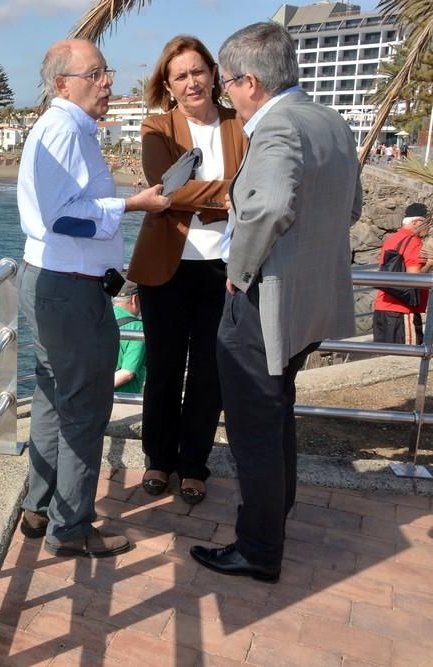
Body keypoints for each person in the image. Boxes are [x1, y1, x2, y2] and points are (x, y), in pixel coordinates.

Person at [189, 22, 362, 583]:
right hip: (308, 300)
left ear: (251, 82)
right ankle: (275, 513)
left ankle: (259, 547)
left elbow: (268, 208)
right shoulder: (328, 120)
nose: (226, 98)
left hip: (265, 303)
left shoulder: (278, 126)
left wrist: (237, 274)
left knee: (253, 428)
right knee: (277, 411)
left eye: (227, 86)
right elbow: (351, 207)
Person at [17, 38, 170, 558]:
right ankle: (71, 527)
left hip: (55, 284)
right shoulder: (62, 130)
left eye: (107, 71)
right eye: (97, 73)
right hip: (69, 292)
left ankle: (39, 509)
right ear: (63, 84)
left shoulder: (67, 129)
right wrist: (133, 203)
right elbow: (63, 216)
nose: (109, 82)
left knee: (52, 399)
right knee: (83, 409)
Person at [127, 35, 248, 505]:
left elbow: (249, 185)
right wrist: (225, 195)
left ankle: (195, 463)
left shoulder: (241, 125)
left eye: (198, 71)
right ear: (168, 85)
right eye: (181, 75)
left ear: (214, 74)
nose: (192, 81)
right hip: (166, 270)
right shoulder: (157, 127)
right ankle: (159, 459)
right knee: (163, 368)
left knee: (208, 373)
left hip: (224, 269)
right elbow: (166, 192)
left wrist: (197, 195)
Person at [373, 203, 433, 344]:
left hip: (382, 307)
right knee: (408, 358)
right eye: (426, 223)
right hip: (403, 311)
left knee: (385, 359)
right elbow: (414, 278)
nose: (429, 228)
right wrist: (430, 264)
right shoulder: (413, 241)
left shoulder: (393, 239)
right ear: (416, 222)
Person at [112, 281, 146, 394]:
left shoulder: (100, 319)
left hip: (91, 397)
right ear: (134, 299)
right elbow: (127, 372)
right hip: (123, 399)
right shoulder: (137, 327)